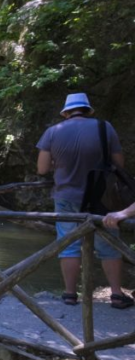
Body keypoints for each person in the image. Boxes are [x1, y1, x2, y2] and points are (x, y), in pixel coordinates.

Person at [36, 92, 132, 308]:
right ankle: (116, 294)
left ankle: (70, 294)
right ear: (87, 110)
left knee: (68, 245)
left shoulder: (53, 132)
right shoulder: (105, 127)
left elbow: (42, 169)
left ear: (66, 112)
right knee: (109, 245)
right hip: (102, 197)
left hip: (66, 196)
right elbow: (119, 164)